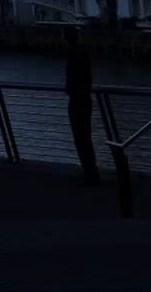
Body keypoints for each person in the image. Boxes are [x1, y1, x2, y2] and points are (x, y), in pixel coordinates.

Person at [64, 25, 100, 186]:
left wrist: (70, 89)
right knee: (86, 137)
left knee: (80, 138)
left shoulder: (72, 55)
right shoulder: (84, 53)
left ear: (66, 38)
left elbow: (73, 78)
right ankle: (91, 172)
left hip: (77, 100)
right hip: (86, 98)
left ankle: (89, 174)